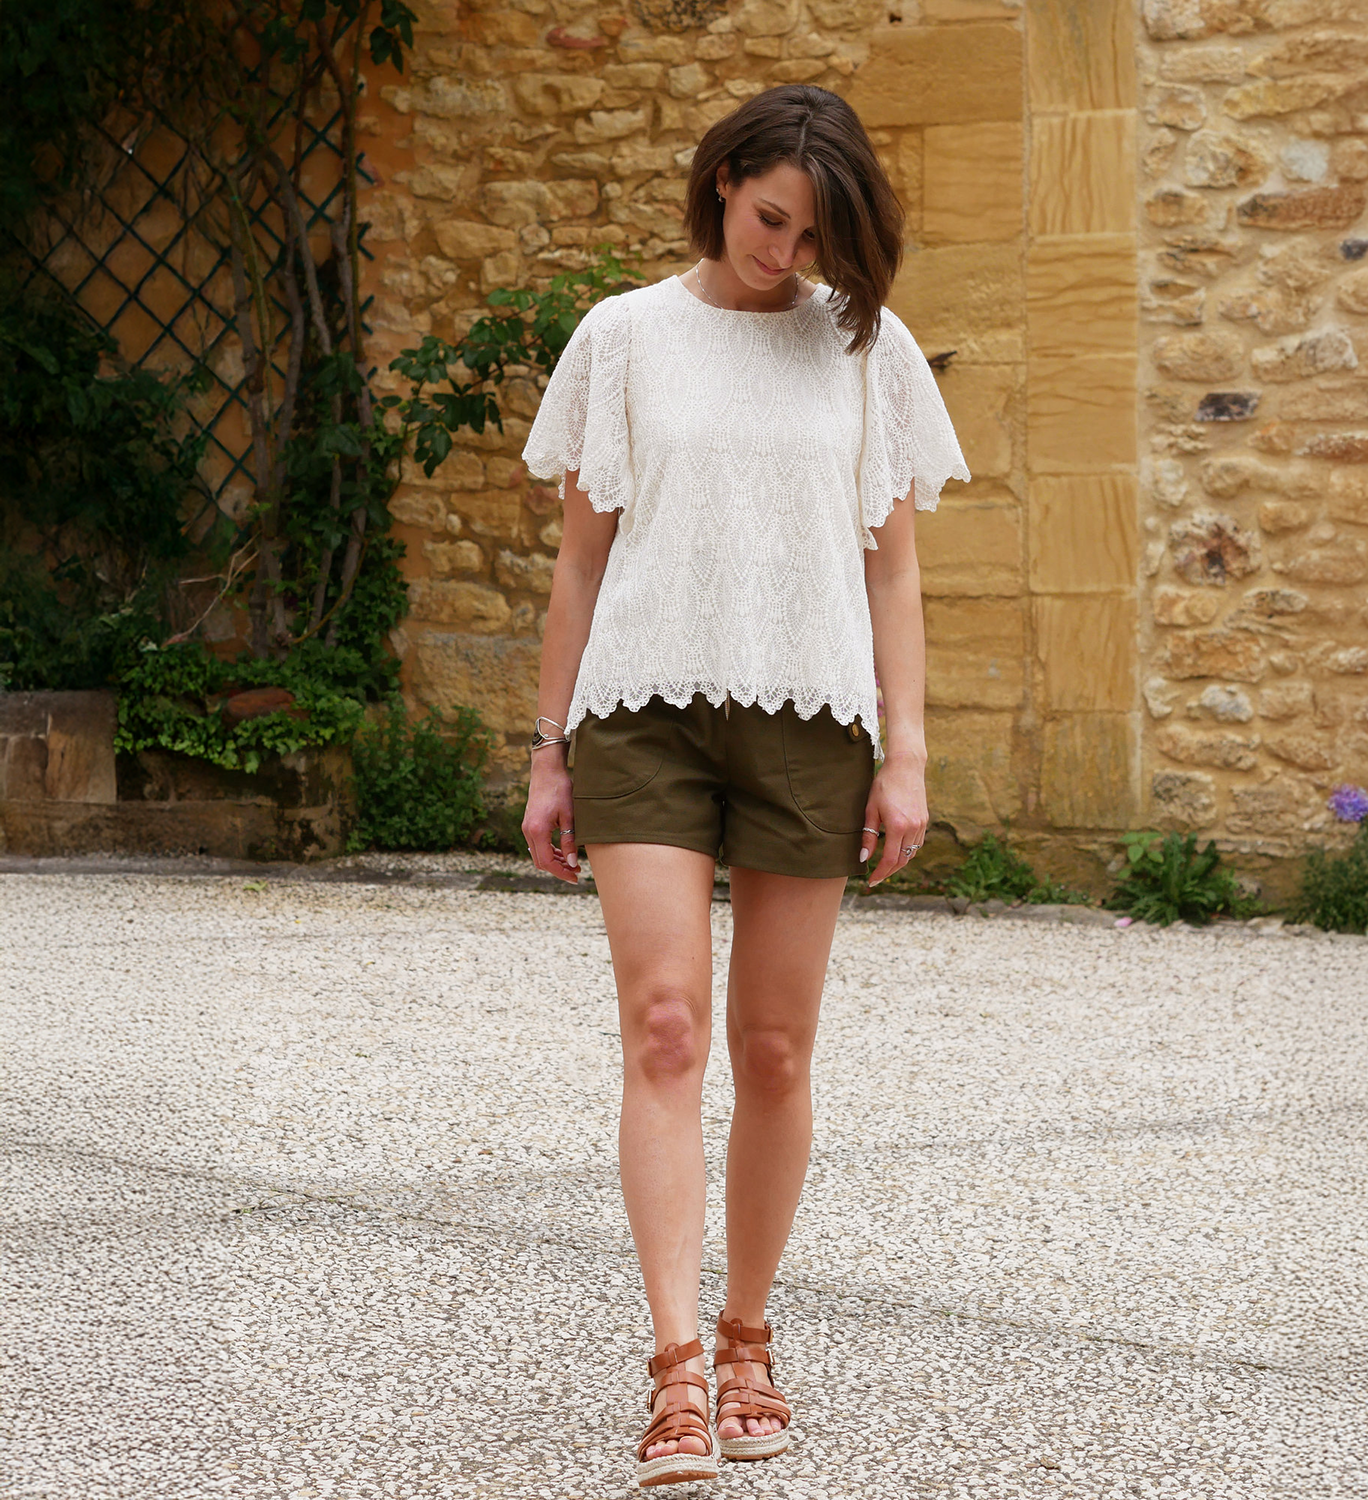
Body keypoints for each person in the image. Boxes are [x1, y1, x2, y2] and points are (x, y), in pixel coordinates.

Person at [519, 82, 969, 1489]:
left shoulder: (865, 345)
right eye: (772, 218)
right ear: (723, 182)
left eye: (815, 235)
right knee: (665, 1029)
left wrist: (907, 753)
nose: (787, 253)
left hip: (812, 722)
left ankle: (749, 1335)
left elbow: (891, 571)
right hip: (642, 715)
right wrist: (548, 750)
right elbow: (581, 560)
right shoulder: (625, 336)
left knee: (774, 1050)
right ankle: (673, 1370)